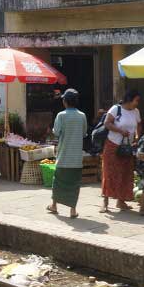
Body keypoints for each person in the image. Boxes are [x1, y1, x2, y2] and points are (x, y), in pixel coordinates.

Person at [46, 89, 87, 218]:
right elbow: (84, 133)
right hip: (76, 159)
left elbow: (56, 132)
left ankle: (54, 205)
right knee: (74, 185)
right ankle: (73, 210)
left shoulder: (61, 115)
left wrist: (52, 129)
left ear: (65, 102)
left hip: (63, 156)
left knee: (58, 182)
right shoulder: (82, 116)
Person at [101, 90, 143, 213]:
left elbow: (139, 125)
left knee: (125, 173)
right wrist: (120, 131)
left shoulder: (136, 112)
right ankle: (105, 202)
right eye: (136, 100)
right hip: (113, 145)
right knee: (109, 173)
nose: (137, 103)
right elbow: (107, 123)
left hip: (128, 147)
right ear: (129, 100)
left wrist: (137, 136)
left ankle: (121, 201)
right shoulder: (116, 109)